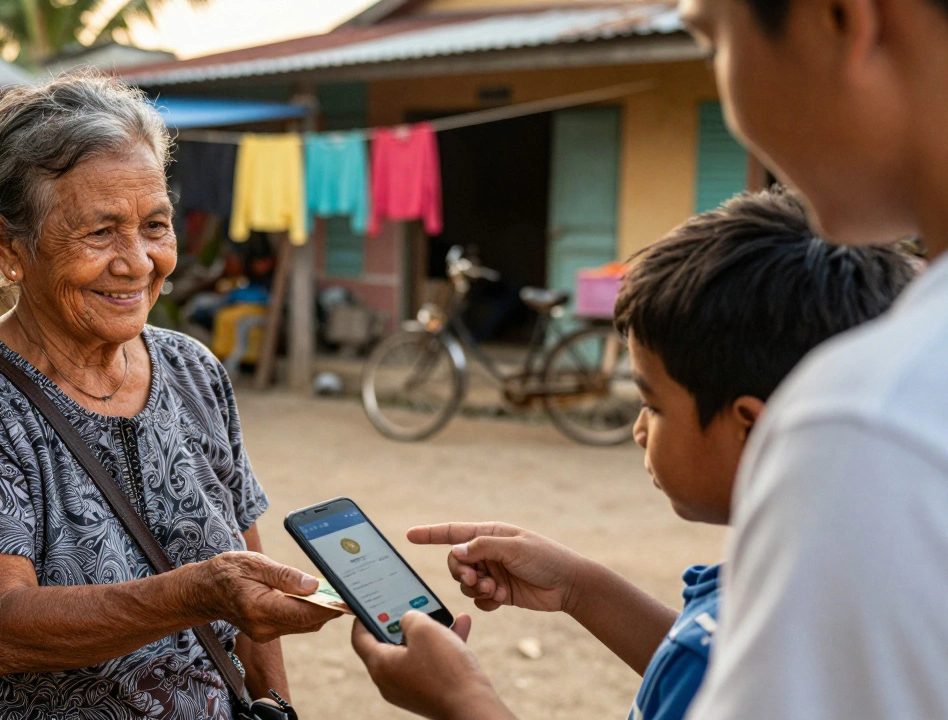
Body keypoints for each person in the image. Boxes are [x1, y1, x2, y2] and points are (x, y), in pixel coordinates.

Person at [352, 0, 948, 711]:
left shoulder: (866, 418)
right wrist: (579, 585)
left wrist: (465, 702)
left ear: (843, 19)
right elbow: (742, 671)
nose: (731, 104)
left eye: (712, 39)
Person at [353, 189, 915, 720]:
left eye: (654, 404)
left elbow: (705, 669)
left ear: (751, 429)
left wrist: (463, 701)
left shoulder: (742, 637)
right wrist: (578, 586)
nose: (638, 430)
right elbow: (709, 674)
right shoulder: (848, 579)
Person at [0, 72, 339, 720]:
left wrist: (275, 705)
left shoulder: (192, 369)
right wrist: (196, 594)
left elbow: (249, 588)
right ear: (6, 245)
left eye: (155, 225)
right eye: (100, 233)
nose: (138, 261)